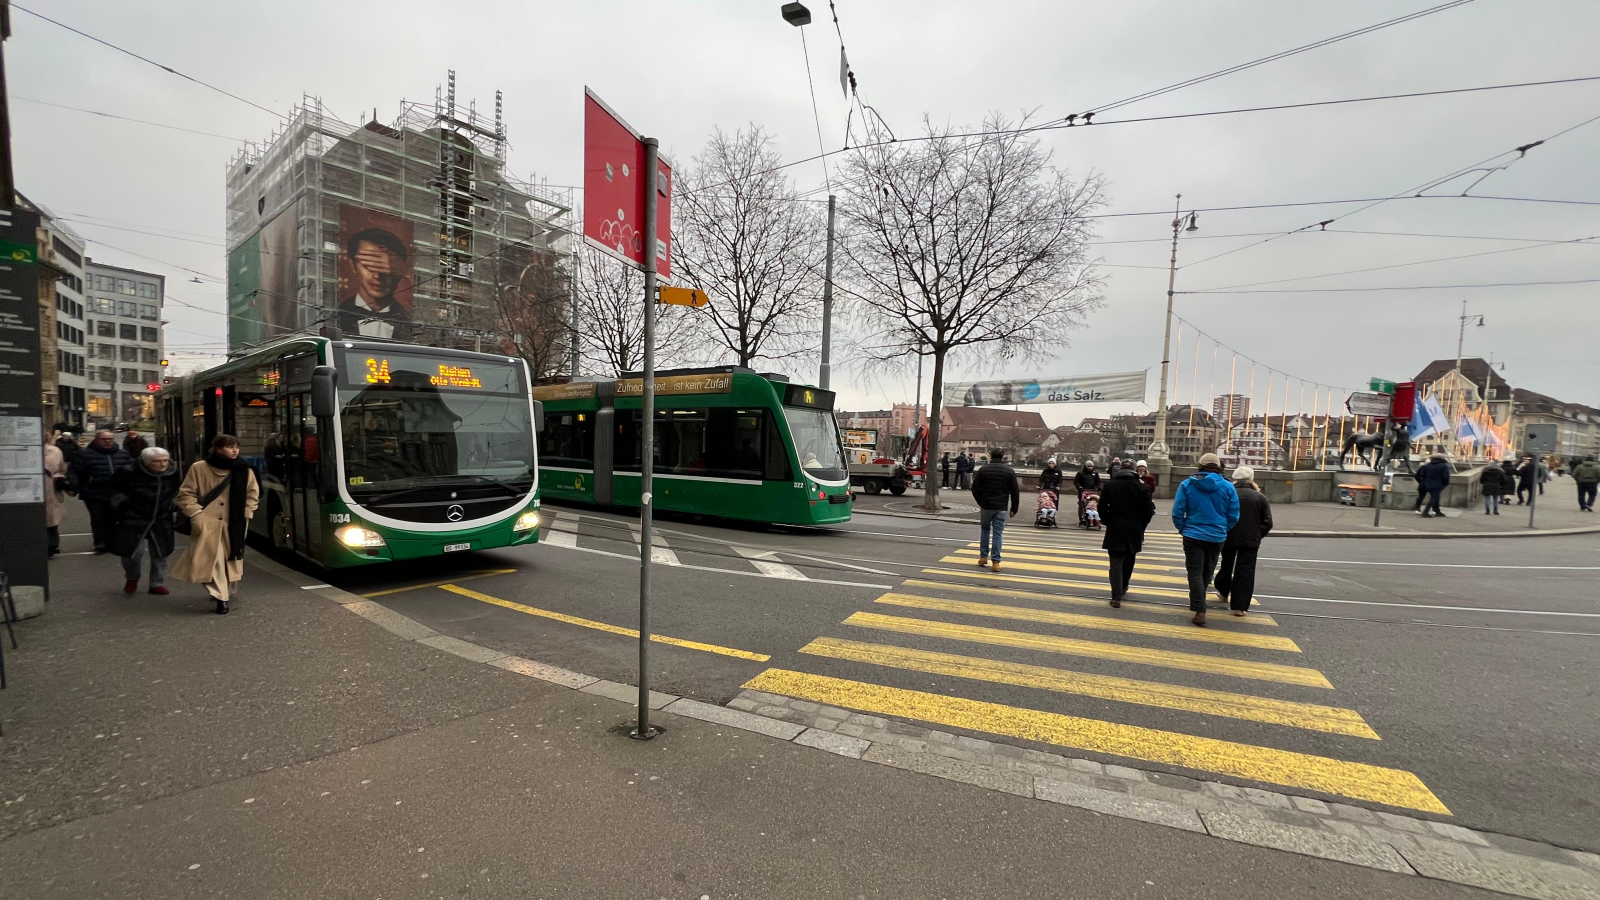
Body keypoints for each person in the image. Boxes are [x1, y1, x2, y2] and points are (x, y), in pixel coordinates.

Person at [170, 434, 260, 614]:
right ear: (218, 449)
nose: (235, 451)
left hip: (234, 521)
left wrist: (247, 512)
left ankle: (225, 589)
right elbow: (185, 494)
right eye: (230, 447)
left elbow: (253, 493)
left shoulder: (244, 469)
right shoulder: (199, 468)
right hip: (206, 520)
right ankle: (221, 598)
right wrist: (196, 514)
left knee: (230, 558)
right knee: (212, 558)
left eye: (237, 447)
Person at [1170, 452, 1239, 627]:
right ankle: (1199, 602)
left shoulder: (1187, 484)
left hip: (1193, 534)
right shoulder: (1228, 487)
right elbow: (1233, 515)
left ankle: (1199, 608)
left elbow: (1178, 511)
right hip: (1217, 535)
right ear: (1219, 467)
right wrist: (1223, 528)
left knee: (1194, 572)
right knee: (1207, 570)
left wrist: (1183, 528)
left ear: (1200, 466)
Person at [110, 447, 181, 595]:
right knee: (133, 551)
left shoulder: (172, 472)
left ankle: (157, 582)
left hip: (161, 516)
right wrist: (123, 504)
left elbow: (177, 489)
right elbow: (114, 490)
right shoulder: (129, 471)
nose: (163, 464)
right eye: (157, 461)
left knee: (161, 551)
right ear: (146, 462)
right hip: (134, 516)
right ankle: (132, 577)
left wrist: (173, 503)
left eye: (165, 460)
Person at [335, 227, 415, 339]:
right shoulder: (335, 315)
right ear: (353, 265)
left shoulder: (411, 322)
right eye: (369, 266)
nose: (377, 276)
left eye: (385, 268)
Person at [1215, 466, 1272, 617]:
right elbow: (1267, 522)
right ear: (1251, 480)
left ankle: (1223, 592)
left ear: (1235, 479)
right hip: (1250, 539)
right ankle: (1239, 607)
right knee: (1245, 571)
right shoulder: (1259, 497)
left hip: (1228, 536)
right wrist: (1257, 534)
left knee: (1226, 565)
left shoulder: (1228, 494)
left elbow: (1219, 514)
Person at [1098, 463, 1154, 608]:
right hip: (1134, 529)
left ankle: (1116, 596)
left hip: (1115, 527)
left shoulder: (1110, 485)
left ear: (1120, 469)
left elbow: (1102, 507)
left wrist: (1108, 521)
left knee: (1115, 563)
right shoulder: (1142, 487)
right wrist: (1141, 525)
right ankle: (1123, 586)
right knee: (1129, 560)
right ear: (1134, 470)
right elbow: (1149, 511)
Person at [68, 429, 133, 553]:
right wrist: (73, 487)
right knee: (98, 518)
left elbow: (132, 470)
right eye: (104, 439)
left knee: (114, 518)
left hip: (117, 493)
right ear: (96, 440)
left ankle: (112, 542)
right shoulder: (84, 454)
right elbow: (74, 472)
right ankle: (100, 543)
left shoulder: (122, 454)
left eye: (110, 439)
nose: (108, 442)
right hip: (93, 493)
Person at [970, 448, 1020, 573]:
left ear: (991, 456)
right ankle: (996, 562)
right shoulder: (1009, 471)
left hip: (986, 505)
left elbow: (975, 488)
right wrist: (1014, 508)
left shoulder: (983, 469)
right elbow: (1015, 491)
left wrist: (980, 501)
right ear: (1002, 457)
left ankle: (983, 557)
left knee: (985, 530)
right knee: (998, 534)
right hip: (1001, 507)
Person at [43, 432, 67, 557]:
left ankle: (52, 545)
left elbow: (61, 470)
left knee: (51, 519)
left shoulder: (55, 451)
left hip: (51, 489)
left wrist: (59, 479)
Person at [1415, 453, 1451, 518]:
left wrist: (1422, 482)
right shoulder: (1444, 466)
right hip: (1437, 484)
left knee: (1434, 497)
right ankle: (1425, 512)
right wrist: (1444, 484)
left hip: (1427, 484)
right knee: (1433, 499)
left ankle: (1437, 511)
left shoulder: (1427, 466)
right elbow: (1446, 477)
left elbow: (1420, 475)